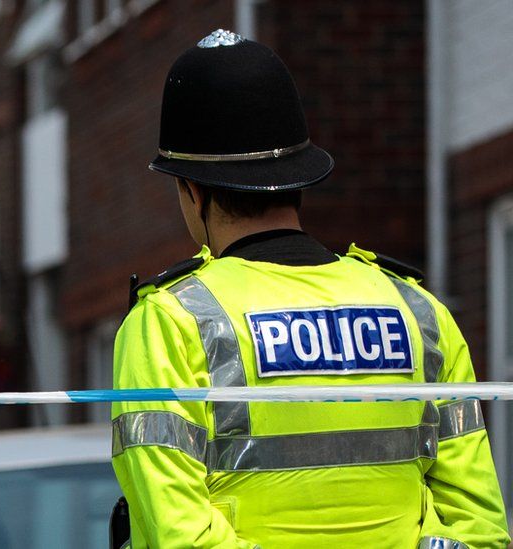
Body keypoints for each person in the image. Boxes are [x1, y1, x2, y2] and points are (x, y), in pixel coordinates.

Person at [111, 30, 510, 548]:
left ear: (192, 190)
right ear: (298, 178)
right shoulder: (415, 310)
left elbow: (180, 534)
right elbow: (476, 526)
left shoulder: (169, 320)